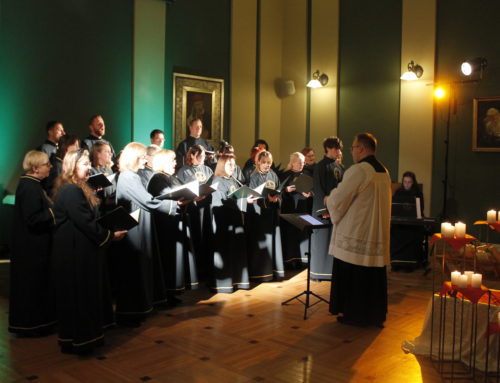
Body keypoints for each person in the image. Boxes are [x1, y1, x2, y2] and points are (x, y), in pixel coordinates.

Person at [51, 149, 127, 353]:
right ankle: (82, 340)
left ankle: (77, 338)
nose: (90, 167)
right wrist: (110, 236)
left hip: (77, 248)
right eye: (85, 163)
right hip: (75, 251)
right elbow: (85, 222)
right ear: (73, 166)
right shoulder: (72, 190)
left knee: (79, 295)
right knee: (80, 295)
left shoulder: (74, 187)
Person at [326, 133, 391, 327]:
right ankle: (373, 314)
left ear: (361, 148)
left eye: (353, 147)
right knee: (371, 278)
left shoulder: (360, 170)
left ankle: (355, 314)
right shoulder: (383, 171)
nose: (352, 151)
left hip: (358, 233)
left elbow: (340, 198)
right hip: (375, 233)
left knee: (354, 276)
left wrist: (329, 199)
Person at [114, 142, 179, 326]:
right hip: (135, 228)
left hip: (140, 223)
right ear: (133, 158)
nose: (145, 160)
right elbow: (147, 201)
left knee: (141, 268)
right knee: (134, 269)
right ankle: (132, 311)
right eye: (142, 157)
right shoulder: (128, 177)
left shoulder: (132, 176)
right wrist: (173, 205)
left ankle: (141, 307)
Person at [9, 151, 56, 337]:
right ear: (35, 168)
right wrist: (55, 212)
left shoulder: (31, 184)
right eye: (46, 164)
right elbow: (33, 219)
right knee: (33, 288)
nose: (50, 167)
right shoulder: (30, 187)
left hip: (33, 246)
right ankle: (33, 326)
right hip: (33, 249)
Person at [148, 150, 198, 295]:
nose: (175, 163)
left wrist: (193, 197)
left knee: (177, 258)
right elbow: (161, 199)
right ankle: (167, 291)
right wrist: (181, 201)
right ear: (163, 162)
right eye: (172, 160)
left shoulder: (172, 177)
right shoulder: (157, 178)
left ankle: (176, 288)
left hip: (178, 221)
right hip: (166, 224)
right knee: (169, 258)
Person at [210, 154, 252, 292]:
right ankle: (225, 285)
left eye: (234, 164)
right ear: (222, 165)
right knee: (226, 250)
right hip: (223, 222)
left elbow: (236, 197)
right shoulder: (217, 180)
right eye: (229, 164)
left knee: (237, 250)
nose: (233, 167)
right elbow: (221, 201)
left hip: (235, 219)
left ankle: (238, 281)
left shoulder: (233, 179)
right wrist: (244, 200)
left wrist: (246, 197)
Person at [177, 145, 214, 277]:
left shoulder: (208, 169)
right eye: (201, 156)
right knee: (195, 236)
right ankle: (195, 270)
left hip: (206, 207)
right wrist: (193, 197)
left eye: (204, 156)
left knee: (207, 236)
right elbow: (180, 190)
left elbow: (212, 185)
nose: (204, 158)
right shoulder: (183, 171)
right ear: (192, 155)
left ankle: (206, 269)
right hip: (192, 208)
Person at [310, 137, 344, 281]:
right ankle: (317, 273)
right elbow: (318, 189)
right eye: (336, 148)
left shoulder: (340, 167)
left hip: (337, 210)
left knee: (334, 242)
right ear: (328, 149)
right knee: (322, 242)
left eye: (339, 148)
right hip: (323, 211)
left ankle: (332, 272)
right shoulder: (320, 166)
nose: (338, 151)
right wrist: (324, 209)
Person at [247, 151, 284, 282]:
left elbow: (280, 192)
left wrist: (276, 199)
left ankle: (272, 271)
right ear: (258, 162)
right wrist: (266, 199)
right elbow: (253, 196)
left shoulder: (273, 175)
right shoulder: (254, 177)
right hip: (259, 215)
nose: (267, 165)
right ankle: (260, 273)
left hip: (272, 214)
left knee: (272, 243)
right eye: (264, 163)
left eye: (269, 163)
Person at [280, 152, 313, 267]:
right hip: (288, 209)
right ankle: (289, 261)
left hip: (302, 208)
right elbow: (279, 192)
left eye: (303, 163)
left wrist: (310, 194)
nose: (301, 165)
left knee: (301, 234)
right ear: (293, 163)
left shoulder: (307, 175)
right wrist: (286, 190)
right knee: (289, 235)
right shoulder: (285, 175)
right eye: (299, 163)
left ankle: (302, 261)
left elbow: (313, 190)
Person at [391, 171, 425, 271]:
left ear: (413, 182)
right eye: (405, 182)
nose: (407, 184)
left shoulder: (418, 193)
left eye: (409, 182)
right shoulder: (398, 192)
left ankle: (410, 263)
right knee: (395, 232)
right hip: (400, 222)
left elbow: (421, 209)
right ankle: (396, 262)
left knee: (412, 233)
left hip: (413, 223)